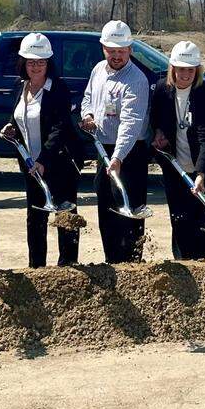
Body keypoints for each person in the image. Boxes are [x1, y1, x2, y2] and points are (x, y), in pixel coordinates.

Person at [0, 33, 85, 267]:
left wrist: (43, 159)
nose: (36, 67)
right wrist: (10, 126)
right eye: (31, 62)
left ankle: (68, 267)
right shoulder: (21, 86)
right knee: (36, 217)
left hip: (59, 164)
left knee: (65, 216)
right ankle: (36, 267)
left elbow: (59, 128)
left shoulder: (58, 89)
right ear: (23, 64)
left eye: (41, 62)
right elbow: (18, 116)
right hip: (32, 166)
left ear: (48, 63)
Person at [150, 40, 205, 260]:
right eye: (181, 69)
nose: (186, 74)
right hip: (176, 167)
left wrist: (201, 174)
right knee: (180, 220)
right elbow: (157, 119)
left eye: (191, 70)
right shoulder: (162, 90)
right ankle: (183, 266)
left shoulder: (203, 95)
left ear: (197, 71)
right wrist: (158, 132)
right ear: (173, 68)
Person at [80, 20, 151, 263]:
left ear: (130, 49)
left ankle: (132, 264)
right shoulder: (98, 69)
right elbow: (88, 97)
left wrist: (118, 157)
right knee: (106, 205)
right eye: (112, 50)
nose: (116, 56)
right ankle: (112, 260)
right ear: (103, 48)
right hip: (103, 149)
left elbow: (130, 124)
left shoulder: (136, 80)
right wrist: (87, 115)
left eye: (121, 51)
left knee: (128, 209)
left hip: (129, 153)